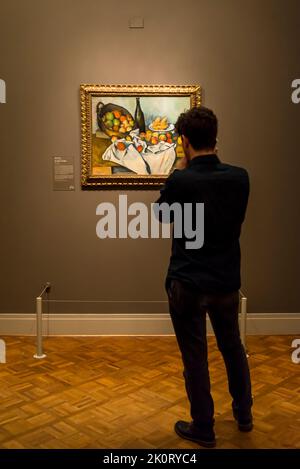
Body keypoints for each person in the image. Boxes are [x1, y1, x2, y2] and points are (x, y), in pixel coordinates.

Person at [155, 106, 253, 448]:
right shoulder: (240, 177)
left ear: (183, 141)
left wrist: (179, 171)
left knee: (194, 357)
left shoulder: (182, 180)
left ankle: (204, 426)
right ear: (216, 137)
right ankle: (244, 415)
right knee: (233, 349)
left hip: (188, 282)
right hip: (226, 280)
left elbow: (160, 216)